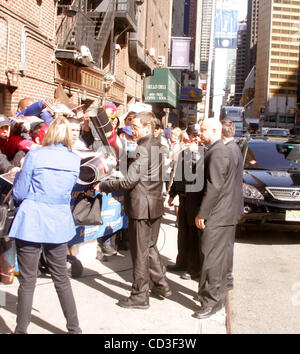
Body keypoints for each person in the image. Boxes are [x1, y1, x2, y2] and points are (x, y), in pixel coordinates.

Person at [9, 117, 82, 334]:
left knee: (28, 280)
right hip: (58, 220)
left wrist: (20, 175)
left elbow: (20, 192)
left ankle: (21, 330)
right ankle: (74, 328)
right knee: (62, 278)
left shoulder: (35, 154)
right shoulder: (74, 159)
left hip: (31, 219)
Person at [94, 111, 171, 309]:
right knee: (150, 247)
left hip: (141, 207)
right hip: (152, 204)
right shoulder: (157, 144)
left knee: (140, 253)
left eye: (136, 126)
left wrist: (104, 186)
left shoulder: (144, 148)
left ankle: (139, 295)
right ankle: (161, 285)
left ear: (147, 127)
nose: (132, 129)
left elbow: (128, 182)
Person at [193, 118, 237, 319]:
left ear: (215, 131)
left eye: (203, 130)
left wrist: (203, 213)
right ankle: (214, 298)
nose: (200, 132)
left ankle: (210, 301)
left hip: (217, 216)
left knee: (210, 258)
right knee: (214, 258)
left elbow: (214, 186)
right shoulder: (216, 150)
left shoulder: (218, 152)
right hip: (221, 214)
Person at [167, 124, 203, 279]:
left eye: (198, 135)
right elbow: (178, 175)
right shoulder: (184, 153)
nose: (196, 138)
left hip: (196, 199)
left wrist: (196, 156)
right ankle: (181, 262)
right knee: (182, 232)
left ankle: (194, 267)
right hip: (183, 198)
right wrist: (172, 193)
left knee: (194, 235)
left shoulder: (204, 153)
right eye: (193, 135)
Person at [221, 120, 244, 290]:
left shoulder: (229, 150)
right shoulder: (234, 148)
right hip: (231, 205)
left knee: (226, 245)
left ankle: (226, 278)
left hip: (228, 206)